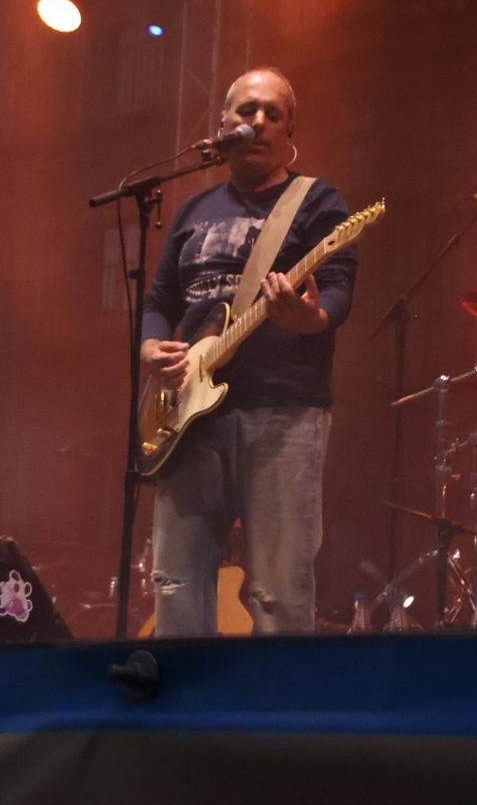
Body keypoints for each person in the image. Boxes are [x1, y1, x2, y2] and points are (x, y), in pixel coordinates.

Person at [140, 67, 357, 636]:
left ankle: (275, 714)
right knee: (177, 583)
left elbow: (336, 290)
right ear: (223, 125)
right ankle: (183, 717)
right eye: (245, 112)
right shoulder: (192, 210)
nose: (257, 122)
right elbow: (158, 301)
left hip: (282, 410)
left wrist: (308, 316)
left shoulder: (316, 200)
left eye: (272, 114)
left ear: (290, 133)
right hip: (188, 416)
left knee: (279, 590)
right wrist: (150, 349)